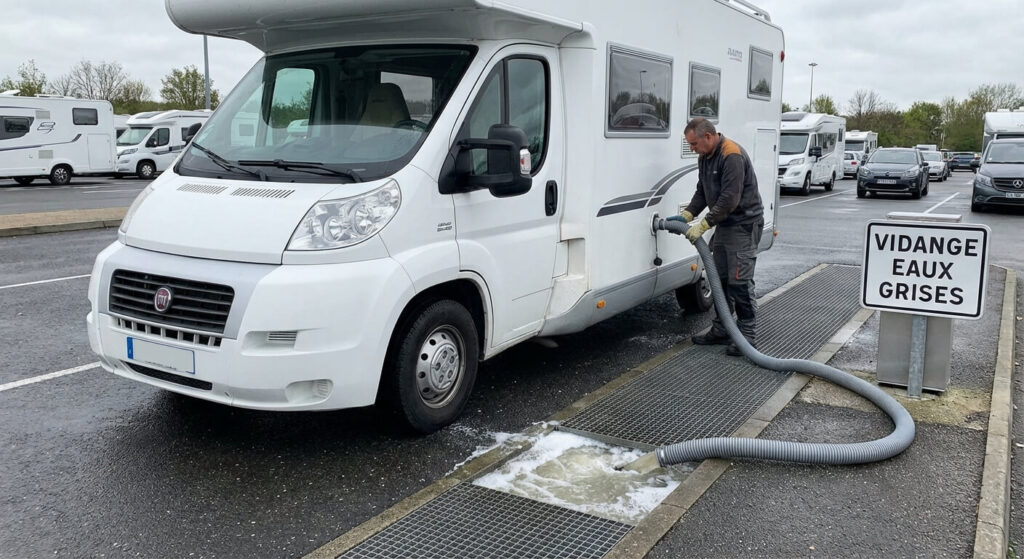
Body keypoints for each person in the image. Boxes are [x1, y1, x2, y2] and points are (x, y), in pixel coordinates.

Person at [677, 117, 764, 356]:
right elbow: (703, 191)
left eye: (694, 144)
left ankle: (748, 337)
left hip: (744, 225)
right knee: (720, 280)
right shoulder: (705, 157)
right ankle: (723, 329)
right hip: (726, 225)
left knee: (740, 283)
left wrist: (704, 224)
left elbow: (729, 199)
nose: (692, 149)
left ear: (708, 136)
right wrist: (687, 214)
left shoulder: (731, 155)